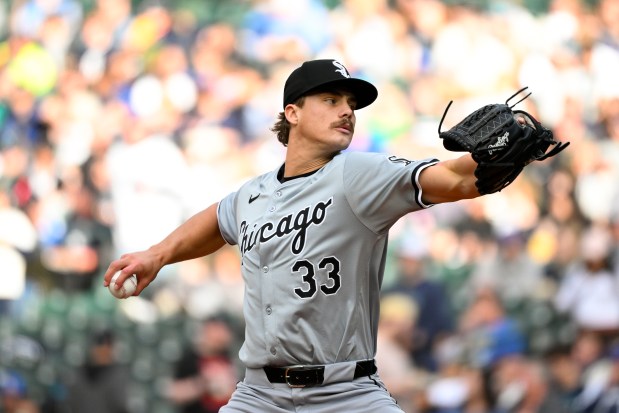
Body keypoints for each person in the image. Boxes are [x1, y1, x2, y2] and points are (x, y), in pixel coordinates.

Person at [103, 58, 511, 412]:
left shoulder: (358, 175)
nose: (347, 111)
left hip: (346, 392)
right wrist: (157, 254)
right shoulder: (254, 194)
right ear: (293, 113)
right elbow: (217, 220)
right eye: (331, 100)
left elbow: (454, 181)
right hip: (259, 395)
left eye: (351, 104)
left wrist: (501, 157)